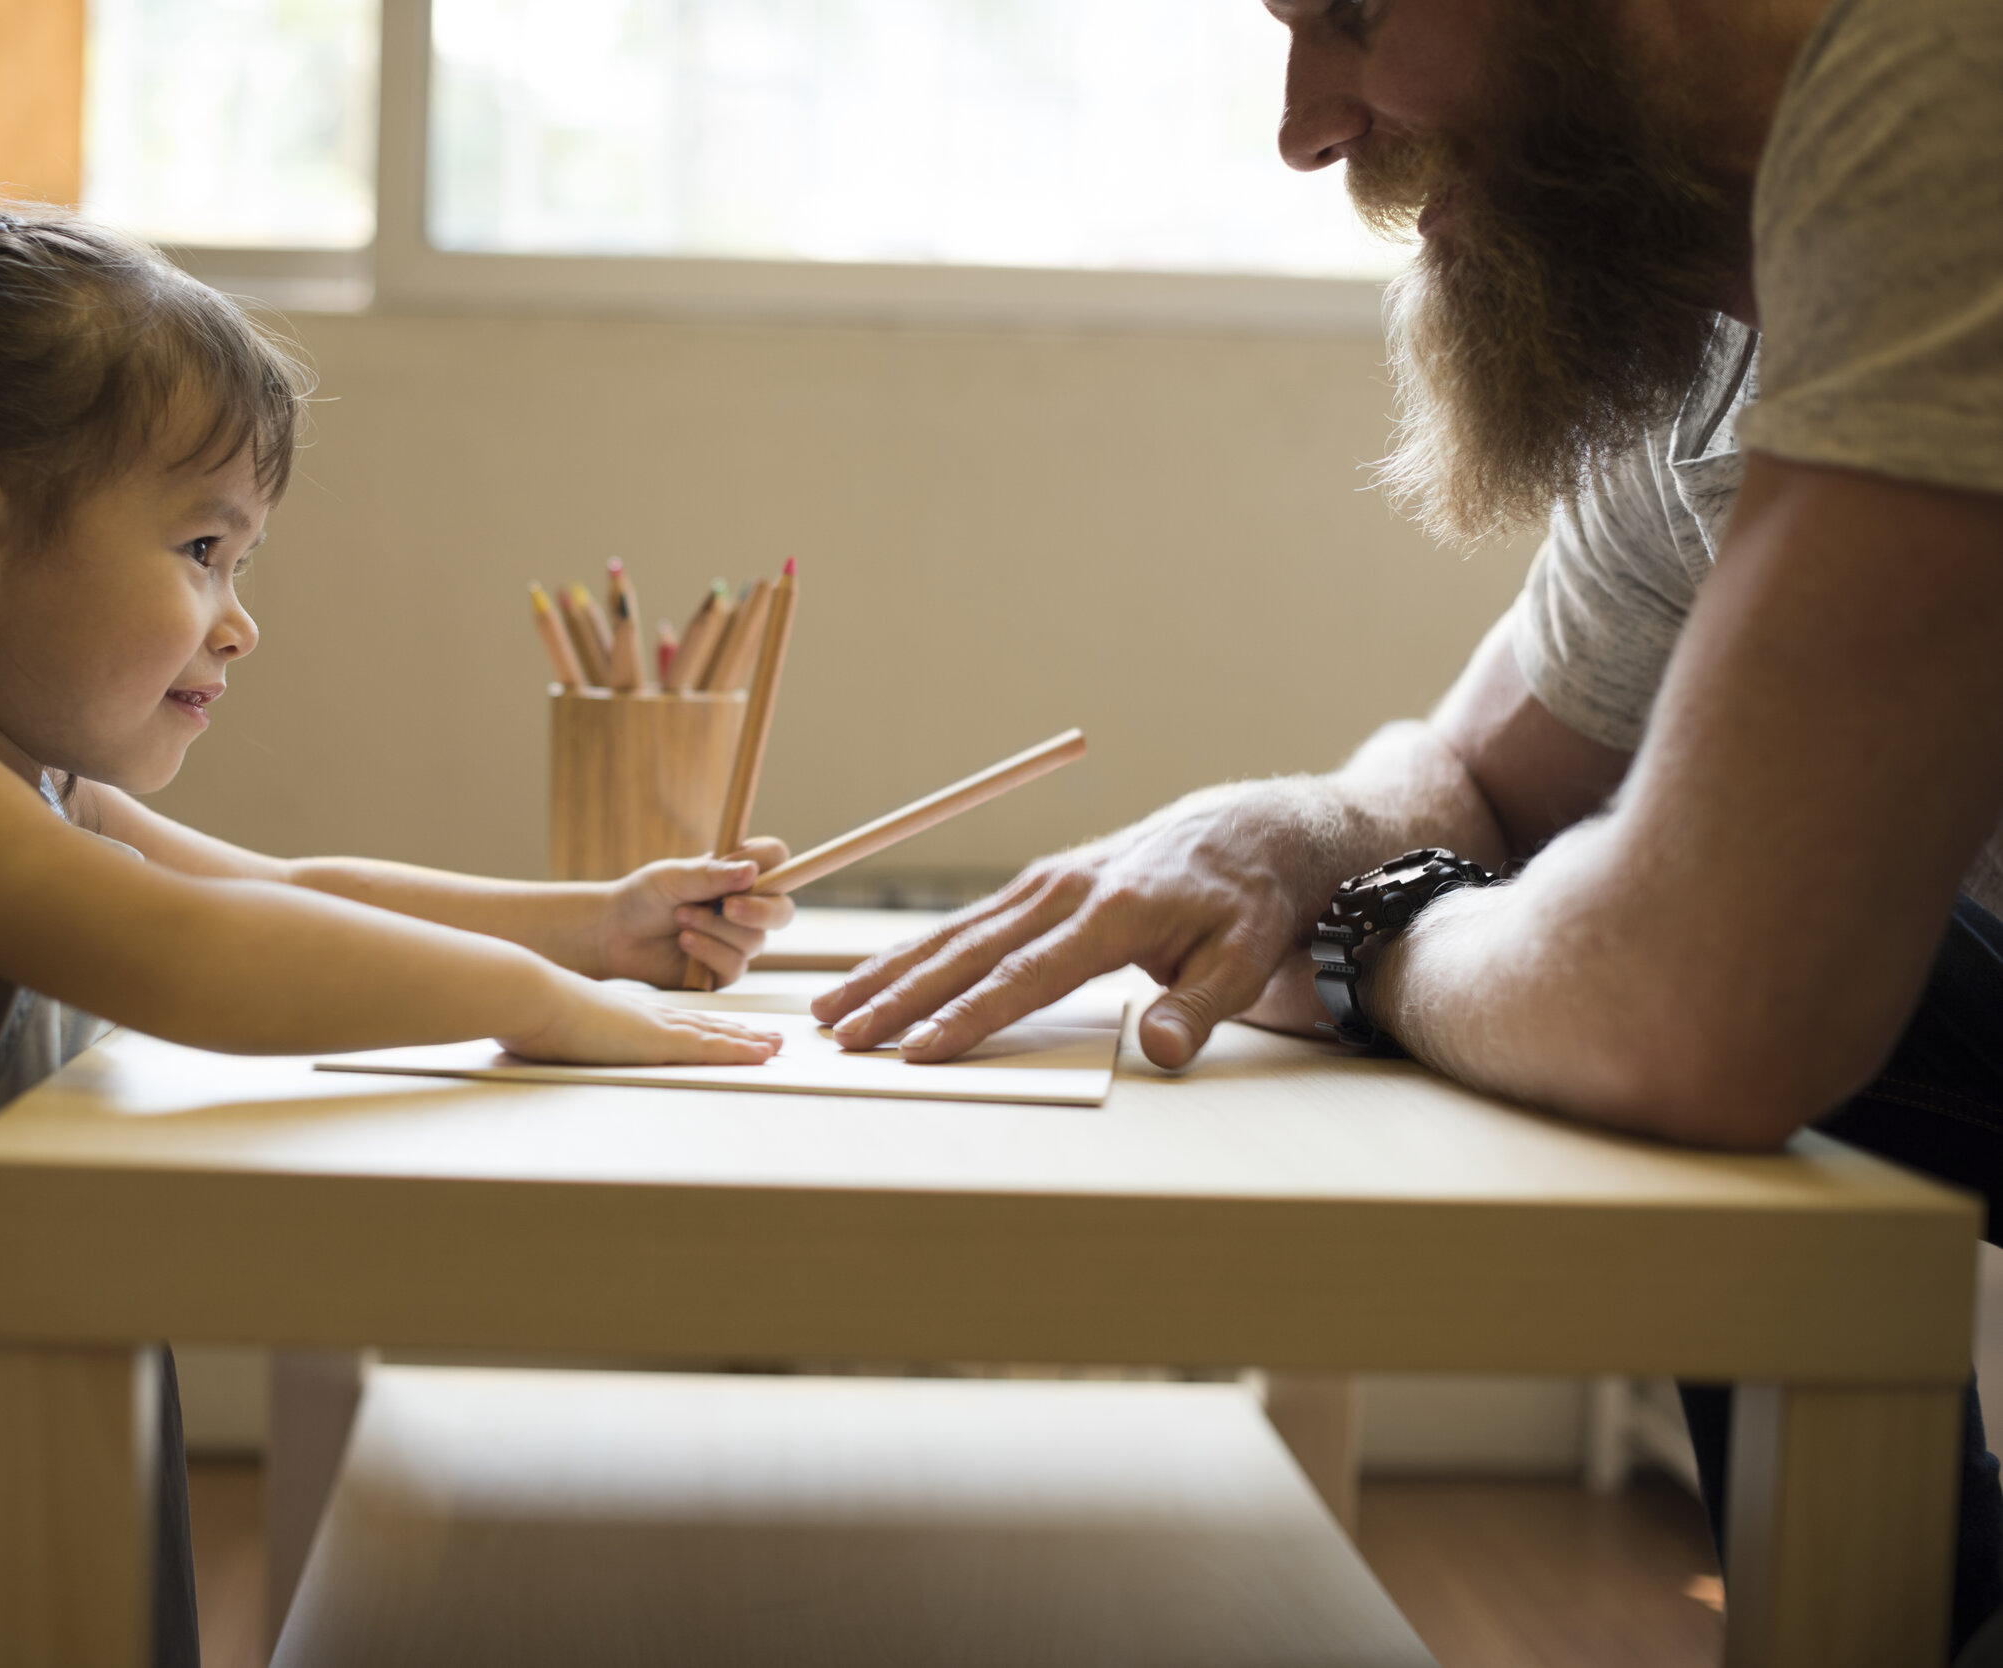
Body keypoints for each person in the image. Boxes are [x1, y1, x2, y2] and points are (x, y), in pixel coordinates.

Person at [816, 0, 2003, 1649]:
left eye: (1354, 17)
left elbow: (1695, 1008)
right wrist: (1299, 829)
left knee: (1706, 946)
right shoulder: (1714, 350)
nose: (1307, 128)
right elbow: (1482, 780)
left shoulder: (1947, 85)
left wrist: (1384, 939)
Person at [0, 205, 792, 1668]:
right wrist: (539, 1002)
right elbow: (204, 956)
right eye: (205, 548)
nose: (239, 624)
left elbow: (286, 885)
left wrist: (600, 926)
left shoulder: (27, 798)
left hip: (5, 1439)